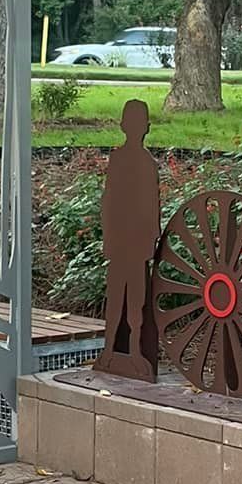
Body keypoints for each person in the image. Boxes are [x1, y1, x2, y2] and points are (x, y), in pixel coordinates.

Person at [95, 99, 161, 380]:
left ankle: (133, 350)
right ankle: (111, 349)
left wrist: (151, 237)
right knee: (119, 298)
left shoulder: (146, 163)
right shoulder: (121, 160)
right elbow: (109, 200)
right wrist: (109, 235)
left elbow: (151, 205)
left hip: (134, 242)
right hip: (124, 241)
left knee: (135, 302)